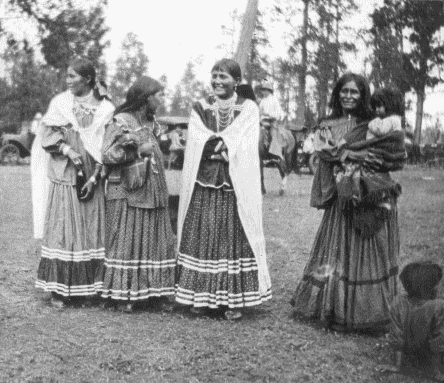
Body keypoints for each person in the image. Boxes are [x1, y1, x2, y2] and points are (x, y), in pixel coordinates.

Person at [291, 73, 406, 332]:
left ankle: (369, 310)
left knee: (369, 248)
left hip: (371, 191)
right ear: (337, 93)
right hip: (343, 193)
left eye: (355, 92)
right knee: (337, 251)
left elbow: (394, 152)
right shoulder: (327, 123)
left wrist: (361, 157)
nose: (349, 96)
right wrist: (351, 156)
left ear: (364, 95)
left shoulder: (376, 122)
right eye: (344, 91)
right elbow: (324, 151)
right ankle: (335, 307)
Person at [175, 59, 272, 321]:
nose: (218, 81)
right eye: (215, 76)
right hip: (205, 180)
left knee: (232, 235)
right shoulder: (201, 107)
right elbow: (197, 139)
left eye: (224, 77)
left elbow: (247, 142)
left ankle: (234, 298)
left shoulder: (248, 108)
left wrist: (220, 145)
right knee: (204, 232)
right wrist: (221, 146)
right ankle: (200, 296)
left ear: (237, 82)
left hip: (234, 182)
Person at [34, 58, 115, 308]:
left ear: (88, 79)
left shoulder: (105, 108)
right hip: (66, 172)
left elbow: (108, 145)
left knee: (91, 227)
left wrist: (96, 175)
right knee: (64, 227)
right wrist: (69, 150)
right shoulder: (60, 104)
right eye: (67, 76)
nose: (68, 81)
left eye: (73, 77)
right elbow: (47, 135)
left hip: (93, 173)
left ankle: (87, 288)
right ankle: (60, 289)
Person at [100, 76, 175, 313]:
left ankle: (154, 293)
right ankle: (125, 295)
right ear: (145, 97)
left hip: (152, 190)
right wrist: (134, 151)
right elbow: (106, 154)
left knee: (154, 240)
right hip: (128, 191)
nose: (162, 100)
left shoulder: (152, 124)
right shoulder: (122, 121)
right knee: (128, 241)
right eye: (159, 95)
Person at [385, 261, 444, 380]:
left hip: (409, 355)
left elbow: (397, 337)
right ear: (428, 286)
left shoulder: (398, 302)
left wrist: (397, 366)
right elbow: (438, 340)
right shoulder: (439, 306)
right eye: (436, 283)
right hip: (431, 357)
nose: (438, 286)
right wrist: (437, 371)